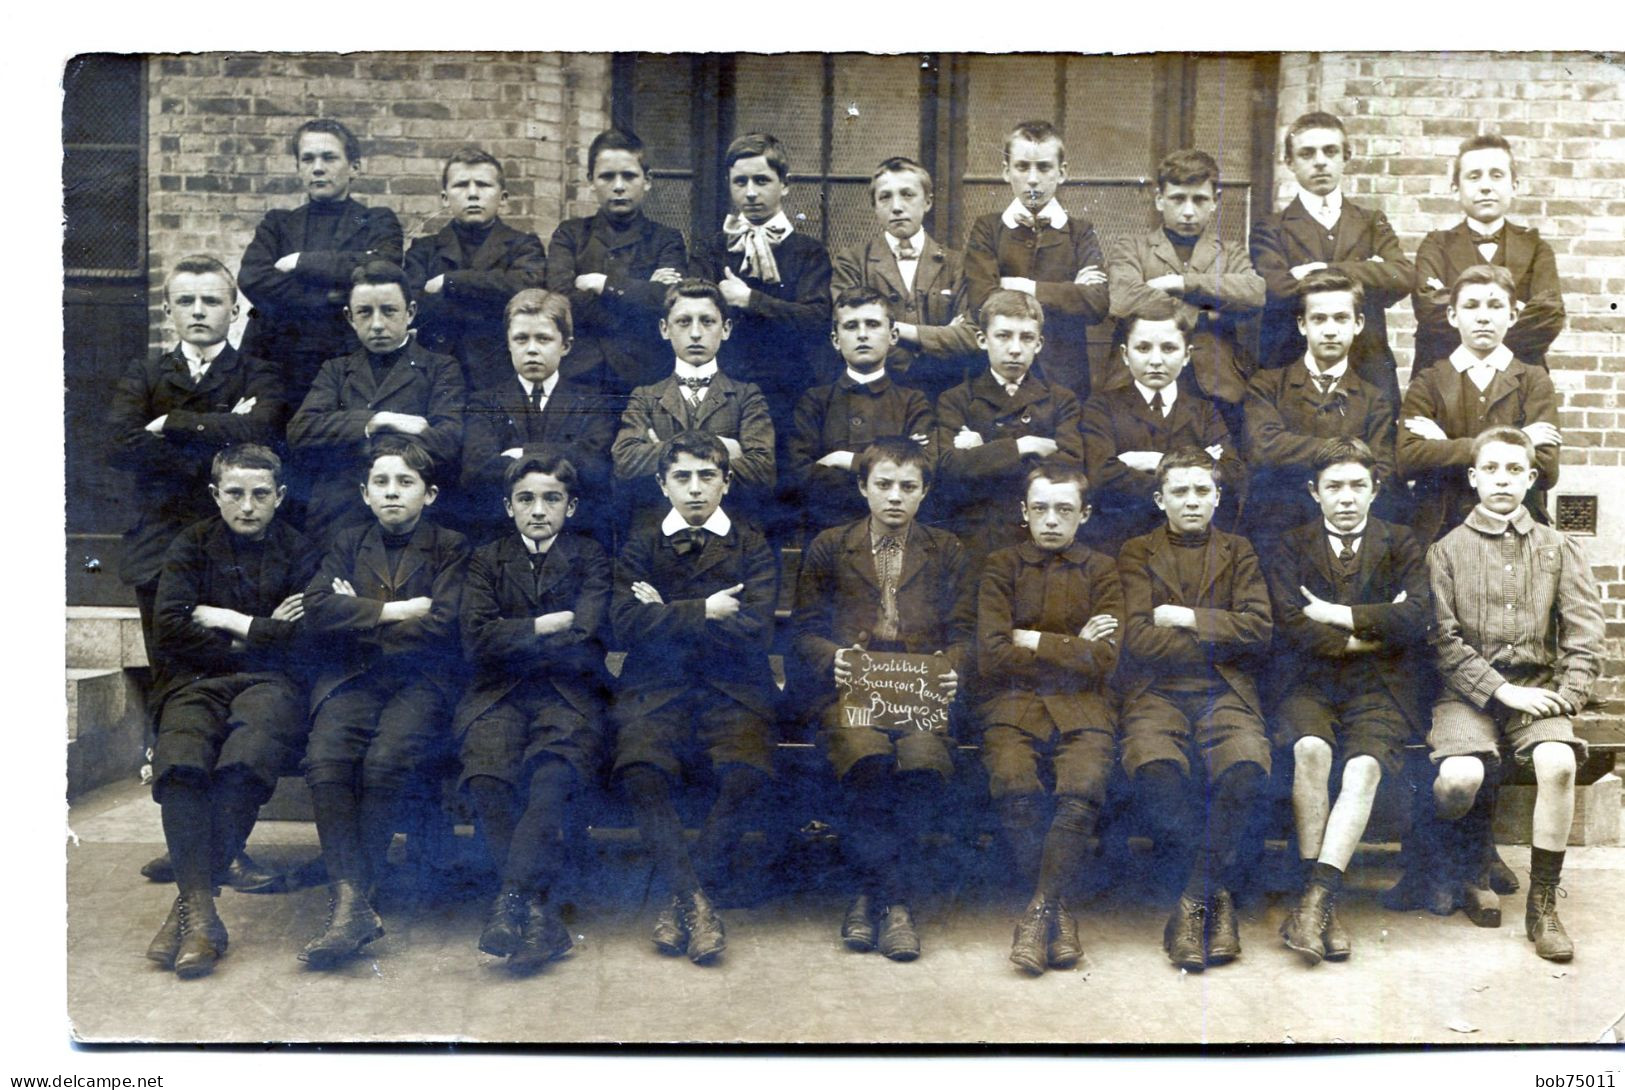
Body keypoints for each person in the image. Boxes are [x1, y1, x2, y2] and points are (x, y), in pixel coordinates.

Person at [792, 437, 974, 962]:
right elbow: (803, 632)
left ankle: (883, 898)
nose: (895, 497)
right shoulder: (831, 545)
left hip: (919, 687)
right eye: (883, 485)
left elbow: (966, 633)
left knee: (919, 761)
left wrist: (951, 670)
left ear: (925, 493)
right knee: (868, 756)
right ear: (861, 488)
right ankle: (883, 896)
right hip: (855, 686)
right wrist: (834, 658)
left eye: (908, 487)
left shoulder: (946, 549)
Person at [1424, 427, 1602, 961]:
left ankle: (1543, 903)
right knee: (1460, 777)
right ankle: (1456, 857)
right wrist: (1500, 692)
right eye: (1492, 470)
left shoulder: (1558, 548)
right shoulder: (1446, 551)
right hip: (1467, 695)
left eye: (1514, 470)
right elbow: (1442, 641)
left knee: (1559, 763)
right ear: (1474, 478)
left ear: (1531, 478)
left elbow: (1584, 635)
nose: (1503, 480)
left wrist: (1564, 697)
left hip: (1539, 691)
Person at [144, 445, 318, 978]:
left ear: (279, 497)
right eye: (235, 494)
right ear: (215, 495)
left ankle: (192, 910)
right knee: (179, 762)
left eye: (260, 494)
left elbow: (306, 637)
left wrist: (229, 622)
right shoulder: (190, 545)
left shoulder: (301, 550)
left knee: (247, 758)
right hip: (196, 681)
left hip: (273, 683)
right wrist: (261, 631)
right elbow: (169, 627)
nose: (248, 506)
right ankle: (201, 915)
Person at [297, 437, 469, 969]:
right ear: (365, 493)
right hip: (353, 677)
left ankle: (352, 897)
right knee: (326, 761)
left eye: (405, 483)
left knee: (387, 760)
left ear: (430, 493)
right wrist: (397, 612)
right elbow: (318, 607)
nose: (392, 493)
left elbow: (444, 622)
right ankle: (354, 898)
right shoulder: (347, 541)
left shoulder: (451, 546)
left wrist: (361, 610)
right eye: (381, 483)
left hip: (422, 682)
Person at [609, 432, 779, 965]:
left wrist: (666, 611)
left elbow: (756, 630)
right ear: (662, 483)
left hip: (734, 687)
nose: (695, 488)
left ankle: (679, 897)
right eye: (681, 477)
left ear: (727, 481)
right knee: (640, 767)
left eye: (707, 476)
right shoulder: (641, 543)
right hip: (656, 687)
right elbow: (625, 624)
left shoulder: (750, 542)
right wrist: (705, 610)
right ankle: (697, 904)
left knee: (747, 770)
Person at [1263, 439, 1430, 966]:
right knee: (1310, 750)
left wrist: (1337, 614)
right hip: (1308, 681)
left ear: (1376, 491)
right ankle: (1323, 907)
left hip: (1380, 685)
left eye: (1359, 486)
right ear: (1314, 493)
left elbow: (1418, 617)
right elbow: (1289, 624)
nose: (1346, 498)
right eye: (1334, 487)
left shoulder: (1402, 543)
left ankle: (1314, 902)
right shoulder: (1290, 545)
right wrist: (1373, 625)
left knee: (1362, 769)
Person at [1116, 447, 1273, 972]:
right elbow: (1137, 638)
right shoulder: (1137, 552)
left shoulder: (1239, 550)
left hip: (1223, 688)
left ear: (1218, 497)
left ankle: (1192, 902)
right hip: (1155, 690)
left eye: (1202, 490)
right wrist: (1215, 631)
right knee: (1154, 765)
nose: (1192, 501)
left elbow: (1258, 631)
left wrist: (1182, 616)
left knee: (1247, 762)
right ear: (1160, 499)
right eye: (1180, 492)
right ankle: (1216, 892)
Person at [454, 452, 611, 973]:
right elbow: (475, 641)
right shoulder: (487, 558)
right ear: (508, 506)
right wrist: (548, 624)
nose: (538, 510)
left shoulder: (590, 556)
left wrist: (513, 632)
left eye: (551, 499)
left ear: (572, 506)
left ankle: (511, 901)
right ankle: (538, 912)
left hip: (569, 692)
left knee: (551, 773)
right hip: (497, 692)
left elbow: (584, 635)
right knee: (487, 775)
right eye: (526, 499)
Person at [108, 255, 287, 682]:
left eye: (211, 300)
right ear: (168, 310)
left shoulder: (259, 374)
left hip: (234, 540)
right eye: (186, 301)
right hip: (160, 539)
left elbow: (260, 431)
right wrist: (224, 440)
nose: (199, 311)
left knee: (234, 664)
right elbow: (119, 443)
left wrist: (171, 424)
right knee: (169, 666)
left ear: (235, 310)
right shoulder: (146, 373)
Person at [976, 463, 1121, 975]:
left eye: (1064, 510)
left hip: (1085, 708)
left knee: (1081, 789)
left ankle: (1039, 914)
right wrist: (1074, 644)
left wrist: (1032, 638)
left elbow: (1105, 659)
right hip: (1012, 705)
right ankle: (1056, 912)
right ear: (1024, 512)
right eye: (1040, 509)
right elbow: (991, 653)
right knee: (1014, 782)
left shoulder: (1102, 570)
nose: (1051, 521)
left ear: (1085, 514)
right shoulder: (1000, 566)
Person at [286, 260, 466, 550]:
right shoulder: (335, 370)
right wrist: (380, 420)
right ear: (349, 318)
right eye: (365, 313)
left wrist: (348, 436)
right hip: (339, 519)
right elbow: (300, 431)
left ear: (410, 313)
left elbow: (447, 442)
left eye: (389, 310)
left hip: (412, 524)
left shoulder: (440, 369)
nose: (378, 324)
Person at [1250, 111, 1414, 408]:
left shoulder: (1371, 221)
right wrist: (1368, 271)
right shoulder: (1270, 228)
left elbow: (1402, 276)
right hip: (1294, 370)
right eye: (1307, 153)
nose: (1320, 161)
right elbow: (1276, 289)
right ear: (1289, 163)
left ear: (1345, 157)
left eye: (1330, 151)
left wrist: (1324, 269)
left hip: (1368, 369)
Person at [1396, 264, 1561, 547]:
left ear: (1512, 316)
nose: (1483, 317)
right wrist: (1518, 443)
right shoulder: (1429, 381)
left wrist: (1445, 445)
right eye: (1471, 306)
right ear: (1452, 315)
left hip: (1518, 533)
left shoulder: (1534, 381)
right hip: (1440, 529)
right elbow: (1409, 460)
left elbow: (1546, 468)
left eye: (1495, 306)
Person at [1107, 148, 1265, 441]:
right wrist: (1204, 312)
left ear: (1215, 202)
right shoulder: (1131, 247)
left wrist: (1181, 283)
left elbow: (1254, 293)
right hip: (1137, 384)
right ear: (1159, 199)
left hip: (1215, 388)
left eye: (1200, 199)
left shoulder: (1231, 252)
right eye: (1178, 199)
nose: (1189, 211)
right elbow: (1124, 298)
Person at [238, 118, 404, 398]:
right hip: (279, 357)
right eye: (308, 159)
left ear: (354, 167)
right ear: (298, 168)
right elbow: (253, 278)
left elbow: (382, 268)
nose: (317, 167)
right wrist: (331, 298)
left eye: (329, 158)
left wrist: (302, 262)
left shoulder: (377, 221)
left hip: (347, 355)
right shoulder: (277, 224)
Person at [1243, 269, 1398, 556]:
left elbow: (1382, 470)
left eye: (1341, 318)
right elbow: (1264, 448)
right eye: (1318, 319)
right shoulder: (1267, 385)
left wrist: (1295, 449)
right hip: (1275, 531)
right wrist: (1349, 449)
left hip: (1345, 538)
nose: (1330, 330)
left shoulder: (1374, 399)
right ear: (1302, 325)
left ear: (1358, 323)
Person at [689, 132, 832, 433]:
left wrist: (750, 300)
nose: (750, 193)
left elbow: (817, 320)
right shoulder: (711, 249)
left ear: (785, 185)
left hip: (789, 391)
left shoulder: (809, 252)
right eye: (740, 182)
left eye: (762, 180)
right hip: (724, 391)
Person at [933, 289, 1084, 567]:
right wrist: (1024, 446)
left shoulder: (1061, 400)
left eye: (1026, 337)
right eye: (1003, 336)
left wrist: (985, 452)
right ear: (982, 339)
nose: (1015, 348)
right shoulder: (956, 399)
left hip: (1038, 536)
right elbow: (949, 469)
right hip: (977, 534)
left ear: (1039, 344)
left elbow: (1069, 467)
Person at [963, 120, 1108, 400]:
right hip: (998, 378)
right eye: (1022, 167)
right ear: (1006, 171)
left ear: (1062, 172)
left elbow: (1096, 303)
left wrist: (1016, 285)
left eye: (1043, 167)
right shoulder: (988, 229)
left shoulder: (1080, 232)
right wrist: (1069, 291)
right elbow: (982, 300)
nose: (1032, 179)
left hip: (1065, 381)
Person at [1079, 300, 1240, 552]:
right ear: (1124, 354)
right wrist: (1196, 469)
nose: (1156, 360)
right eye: (1143, 348)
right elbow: (1101, 476)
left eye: (1168, 348)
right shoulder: (1101, 408)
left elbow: (1231, 475)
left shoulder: (1205, 411)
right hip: (1121, 541)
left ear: (1187, 355)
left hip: (1192, 546)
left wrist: (1154, 461)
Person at [610, 279, 775, 521]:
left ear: (726, 329)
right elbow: (624, 462)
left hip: (732, 530)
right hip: (659, 530)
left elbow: (763, 470)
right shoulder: (645, 396)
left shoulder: (747, 395)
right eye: (684, 322)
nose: (696, 333)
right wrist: (719, 447)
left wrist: (664, 449)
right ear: (665, 329)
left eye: (707, 321)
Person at [459, 289, 614, 546]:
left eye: (543, 339)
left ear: (565, 345)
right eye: (521, 339)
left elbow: (595, 469)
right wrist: (563, 455)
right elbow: (476, 471)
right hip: (501, 538)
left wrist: (521, 452)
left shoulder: (592, 403)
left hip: (575, 538)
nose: (532, 349)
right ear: (508, 343)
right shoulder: (485, 403)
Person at [544, 129, 687, 393]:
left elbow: (669, 302)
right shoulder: (570, 234)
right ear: (590, 181)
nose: (619, 186)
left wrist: (602, 284)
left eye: (629, 176)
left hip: (644, 376)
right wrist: (640, 293)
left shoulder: (667, 239)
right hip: (579, 375)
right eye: (607, 177)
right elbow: (560, 301)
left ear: (647, 180)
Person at [829, 156, 979, 402]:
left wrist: (891, 328)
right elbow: (851, 331)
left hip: (945, 396)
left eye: (907, 194)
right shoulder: (852, 262)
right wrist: (941, 335)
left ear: (927, 202)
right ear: (875, 206)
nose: (897, 206)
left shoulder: (957, 264)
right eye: (885, 197)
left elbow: (972, 337)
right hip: (873, 396)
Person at [786, 286, 933, 535]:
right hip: (827, 532)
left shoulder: (913, 402)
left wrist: (843, 460)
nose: (862, 334)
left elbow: (923, 471)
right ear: (835, 339)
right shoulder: (814, 402)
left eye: (873, 324)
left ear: (893, 335)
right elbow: (799, 476)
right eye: (851, 326)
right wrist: (889, 466)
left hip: (896, 532)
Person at [1412, 134, 1565, 372]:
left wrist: (1463, 310)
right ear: (1455, 189)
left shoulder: (1537, 248)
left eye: (1496, 175)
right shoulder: (1436, 246)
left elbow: (1547, 319)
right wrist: (1514, 311)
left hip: (1520, 378)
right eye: (1474, 177)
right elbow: (1431, 314)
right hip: (1443, 379)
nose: (1485, 186)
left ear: (1514, 186)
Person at [404, 146, 548, 393]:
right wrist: (490, 295)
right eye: (461, 185)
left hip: (501, 373)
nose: (472, 194)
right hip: (437, 374)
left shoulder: (523, 246)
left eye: (483, 185)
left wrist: (451, 282)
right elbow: (413, 308)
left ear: (502, 198)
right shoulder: (424, 250)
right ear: (445, 198)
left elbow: (526, 292)